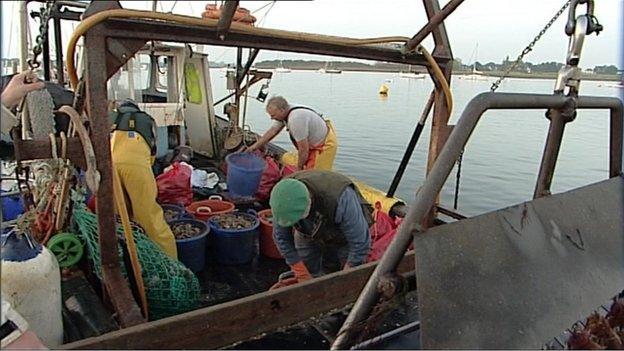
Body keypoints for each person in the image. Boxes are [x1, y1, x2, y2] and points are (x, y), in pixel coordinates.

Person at [269, 170, 373, 289]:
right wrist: (300, 271)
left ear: (309, 202)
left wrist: (345, 278)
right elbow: (281, 237)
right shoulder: (283, 197)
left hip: (341, 233)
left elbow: (360, 243)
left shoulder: (342, 197)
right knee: (307, 266)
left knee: (345, 270)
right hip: (307, 231)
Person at [109, 99, 177, 258]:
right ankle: (171, 262)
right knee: (149, 217)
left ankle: (130, 259)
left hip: (110, 167)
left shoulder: (110, 117)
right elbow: (154, 150)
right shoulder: (147, 120)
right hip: (137, 168)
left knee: (120, 218)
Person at [244, 96, 337, 171]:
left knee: (312, 177)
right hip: (311, 143)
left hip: (323, 146)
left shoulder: (295, 120)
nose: (272, 118)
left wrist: (299, 169)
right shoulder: (285, 112)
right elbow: (272, 132)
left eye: (273, 115)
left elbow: (303, 149)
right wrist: (254, 147)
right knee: (292, 160)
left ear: (282, 110)